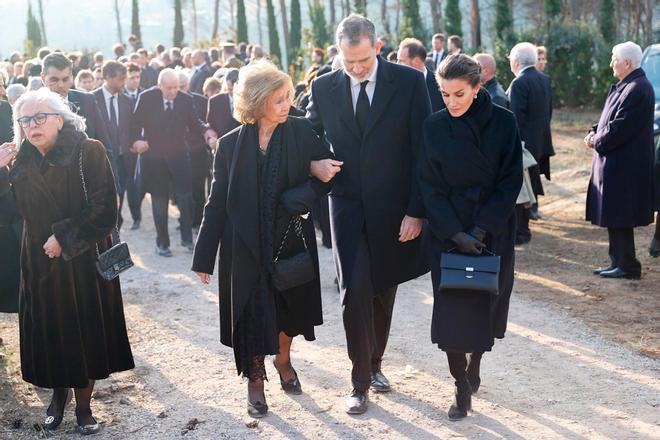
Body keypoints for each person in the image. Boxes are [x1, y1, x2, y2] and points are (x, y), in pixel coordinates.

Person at [192, 61, 336, 418]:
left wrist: (300, 193)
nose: (288, 104)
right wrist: (203, 256)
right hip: (245, 246)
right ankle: (255, 380)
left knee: (287, 309)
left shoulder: (301, 132)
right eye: (279, 99)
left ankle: (283, 359)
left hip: (289, 238)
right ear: (256, 102)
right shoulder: (228, 146)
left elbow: (331, 173)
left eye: (288, 96)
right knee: (252, 311)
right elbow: (217, 201)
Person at [306, 14, 431, 414]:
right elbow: (309, 135)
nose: (356, 68)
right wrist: (314, 164)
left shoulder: (410, 83)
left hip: (394, 209)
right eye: (348, 60)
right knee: (353, 291)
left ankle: (375, 364)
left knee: (382, 290)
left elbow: (422, 150)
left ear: (377, 47)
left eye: (362, 59)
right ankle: (358, 381)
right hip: (344, 206)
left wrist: (416, 211)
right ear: (338, 52)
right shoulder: (323, 86)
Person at [0, 88, 134, 435]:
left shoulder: (88, 150)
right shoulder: (21, 160)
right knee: (50, 334)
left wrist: (64, 238)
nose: (32, 125)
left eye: (39, 117)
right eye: (24, 120)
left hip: (82, 258)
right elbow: (8, 213)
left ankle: (85, 408)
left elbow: (105, 210)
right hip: (39, 262)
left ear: (60, 118)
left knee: (84, 332)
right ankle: (57, 399)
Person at [418, 54, 522, 421]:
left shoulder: (505, 122)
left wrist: (480, 229)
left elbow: (511, 180)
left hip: (491, 230)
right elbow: (428, 185)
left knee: (485, 306)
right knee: (451, 312)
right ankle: (460, 384)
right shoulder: (433, 127)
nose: (451, 102)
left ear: (478, 88)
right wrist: (455, 232)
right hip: (448, 232)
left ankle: (475, 362)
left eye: (459, 94)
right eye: (444, 95)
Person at [585, 42, 655, 279]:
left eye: (614, 58)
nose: (610, 63)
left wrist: (596, 140)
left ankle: (628, 266)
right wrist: (594, 131)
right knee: (615, 216)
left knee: (621, 216)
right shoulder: (626, 86)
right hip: (616, 164)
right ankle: (618, 262)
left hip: (625, 167)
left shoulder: (638, 88)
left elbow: (619, 128)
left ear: (627, 62)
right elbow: (608, 119)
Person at [130, 68, 216, 256]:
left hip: (179, 156)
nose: (173, 92)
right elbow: (134, 123)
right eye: (168, 88)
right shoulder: (147, 98)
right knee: (159, 201)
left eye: (176, 87)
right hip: (154, 158)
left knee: (185, 199)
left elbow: (195, 122)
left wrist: (207, 131)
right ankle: (162, 243)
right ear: (159, 86)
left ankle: (187, 239)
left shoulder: (185, 100)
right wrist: (136, 141)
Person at [507, 42, 554, 244]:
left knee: (523, 187)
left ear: (516, 61)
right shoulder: (544, 79)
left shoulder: (519, 83)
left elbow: (515, 118)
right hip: (541, 140)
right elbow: (549, 111)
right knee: (532, 183)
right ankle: (527, 222)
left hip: (524, 143)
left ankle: (522, 230)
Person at [42, 53, 115, 173]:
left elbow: (105, 146)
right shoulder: (33, 107)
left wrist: (114, 188)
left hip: (87, 179)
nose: (61, 85)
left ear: (72, 77)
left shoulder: (87, 101)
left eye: (65, 79)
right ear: (43, 78)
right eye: (54, 80)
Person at [94, 61, 134, 228]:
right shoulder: (92, 99)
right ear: (107, 77)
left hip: (122, 160)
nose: (124, 82)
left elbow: (132, 127)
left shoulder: (128, 101)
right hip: (100, 161)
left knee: (119, 198)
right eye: (120, 78)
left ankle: (115, 229)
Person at [397, 38, 445, 112]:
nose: (397, 64)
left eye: (401, 61)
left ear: (416, 61)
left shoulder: (441, 86)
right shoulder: (397, 86)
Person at [207, 68, 240, 139]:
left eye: (235, 89)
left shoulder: (248, 101)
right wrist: (210, 139)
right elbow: (210, 125)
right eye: (230, 89)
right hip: (221, 145)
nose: (232, 92)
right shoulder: (215, 101)